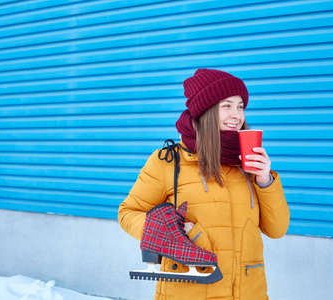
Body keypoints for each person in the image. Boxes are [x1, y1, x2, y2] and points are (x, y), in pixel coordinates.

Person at [118, 68, 290, 300]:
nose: (236, 115)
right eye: (226, 106)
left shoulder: (247, 164)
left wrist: (265, 180)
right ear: (206, 111)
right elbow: (128, 212)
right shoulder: (169, 162)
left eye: (240, 106)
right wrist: (158, 231)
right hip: (190, 290)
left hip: (247, 292)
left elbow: (277, 230)